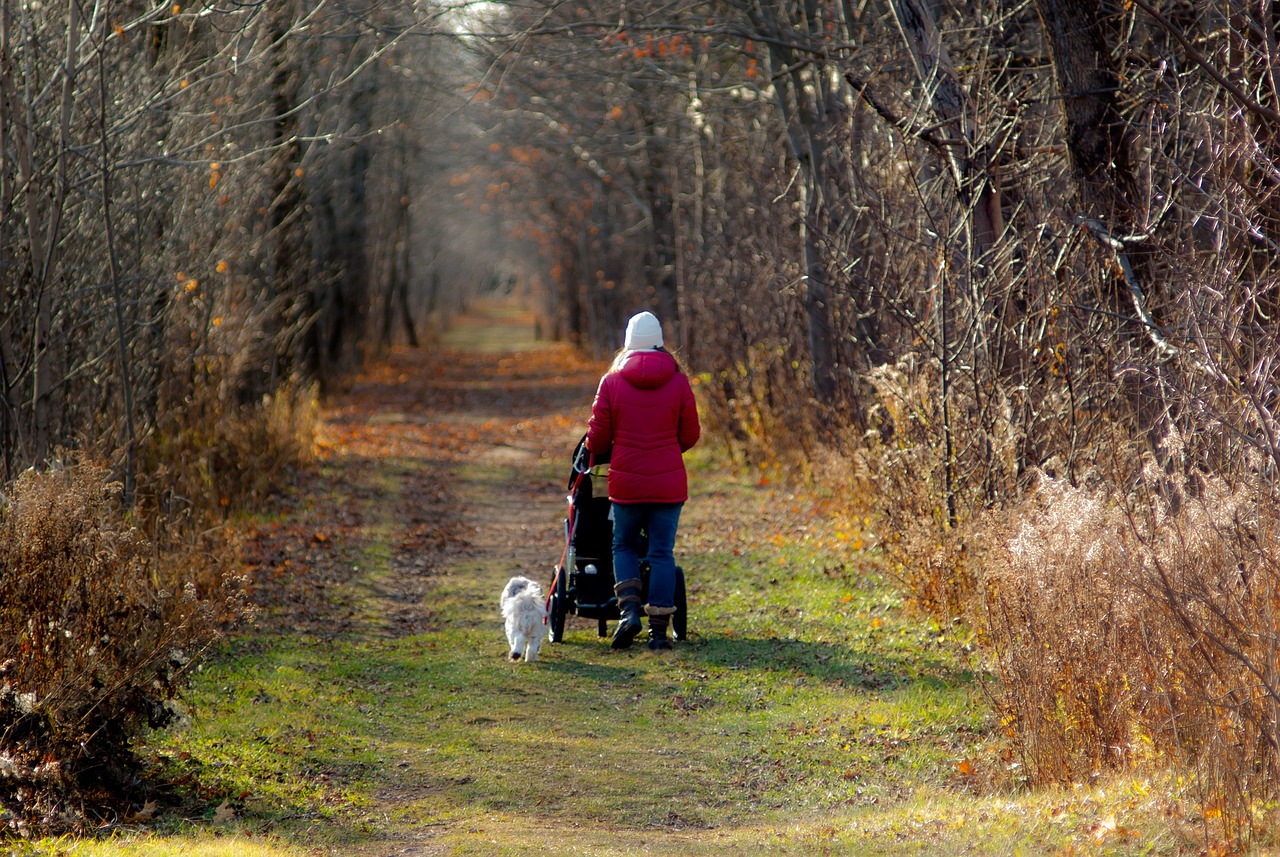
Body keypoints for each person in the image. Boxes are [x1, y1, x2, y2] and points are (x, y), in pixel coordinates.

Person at [586, 311, 700, 651]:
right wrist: (667, 452)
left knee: (624, 546)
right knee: (662, 552)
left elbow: (598, 437)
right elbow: (691, 434)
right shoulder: (679, 382)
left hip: (627, 485)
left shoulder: (611, 382)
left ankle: (629, 612)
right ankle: (659, 632)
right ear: (661, 344)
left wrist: (603, 449)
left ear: (627, 345)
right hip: (668, 486)